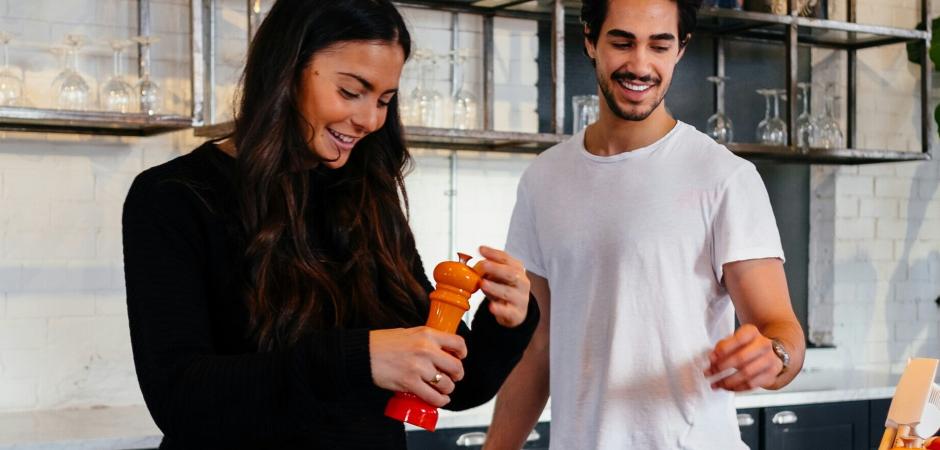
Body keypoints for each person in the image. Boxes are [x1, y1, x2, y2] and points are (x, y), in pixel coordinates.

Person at [121, 0, 538, 448]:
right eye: (351, 91)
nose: (370, 120)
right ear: (287, 69)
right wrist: (363, 359)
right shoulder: (173, 196)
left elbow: (454, 387)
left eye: (384, 100)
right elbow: (179, 398)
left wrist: (506, 321)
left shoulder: (365, 195)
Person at [482, 0, 805, 448]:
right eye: (622, 42)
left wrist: (774, 357)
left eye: (659, 45)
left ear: (680, 50)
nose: (640, 64)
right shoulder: (544, 179)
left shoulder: (724, 178)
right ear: (590, 41)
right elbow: (536, 349)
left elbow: (781, 328)